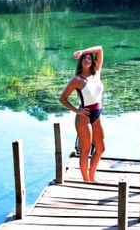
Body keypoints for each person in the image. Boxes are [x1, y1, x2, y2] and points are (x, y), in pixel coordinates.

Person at [59, 46, 105, 182]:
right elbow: (62, 98)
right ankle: (86, 181)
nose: (86, 60)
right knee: (85, 150)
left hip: (97, 114)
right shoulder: (77, 80)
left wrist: (82, 52)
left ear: (93, 61)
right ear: (81, 63)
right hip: (84, 116)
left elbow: (100, 49)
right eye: (84, 58)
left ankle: (92, 177)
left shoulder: (97, 72)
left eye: (89, 58)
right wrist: (77, 110)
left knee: (101, 148)